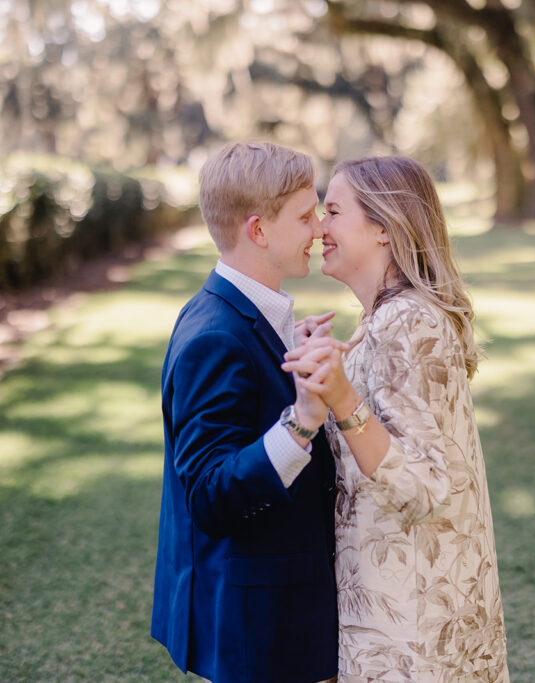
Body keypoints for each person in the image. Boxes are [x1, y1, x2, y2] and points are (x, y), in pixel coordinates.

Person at [283, 156, 509, 682]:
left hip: (416, 628)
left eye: (334, 212)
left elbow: (424, 488)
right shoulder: (380, 322)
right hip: (401, 610)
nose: (319, 227)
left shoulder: (407, 323)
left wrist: (342, 399)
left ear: (383, 228)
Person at [151, 142, 339, 683]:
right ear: (258, 230)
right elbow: (209, 495)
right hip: (259, 629)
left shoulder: (246, 311)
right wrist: (301, 421)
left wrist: (290, 355)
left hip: (274, 611)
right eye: (306, 216)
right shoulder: (214, 336)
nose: (320, 228)